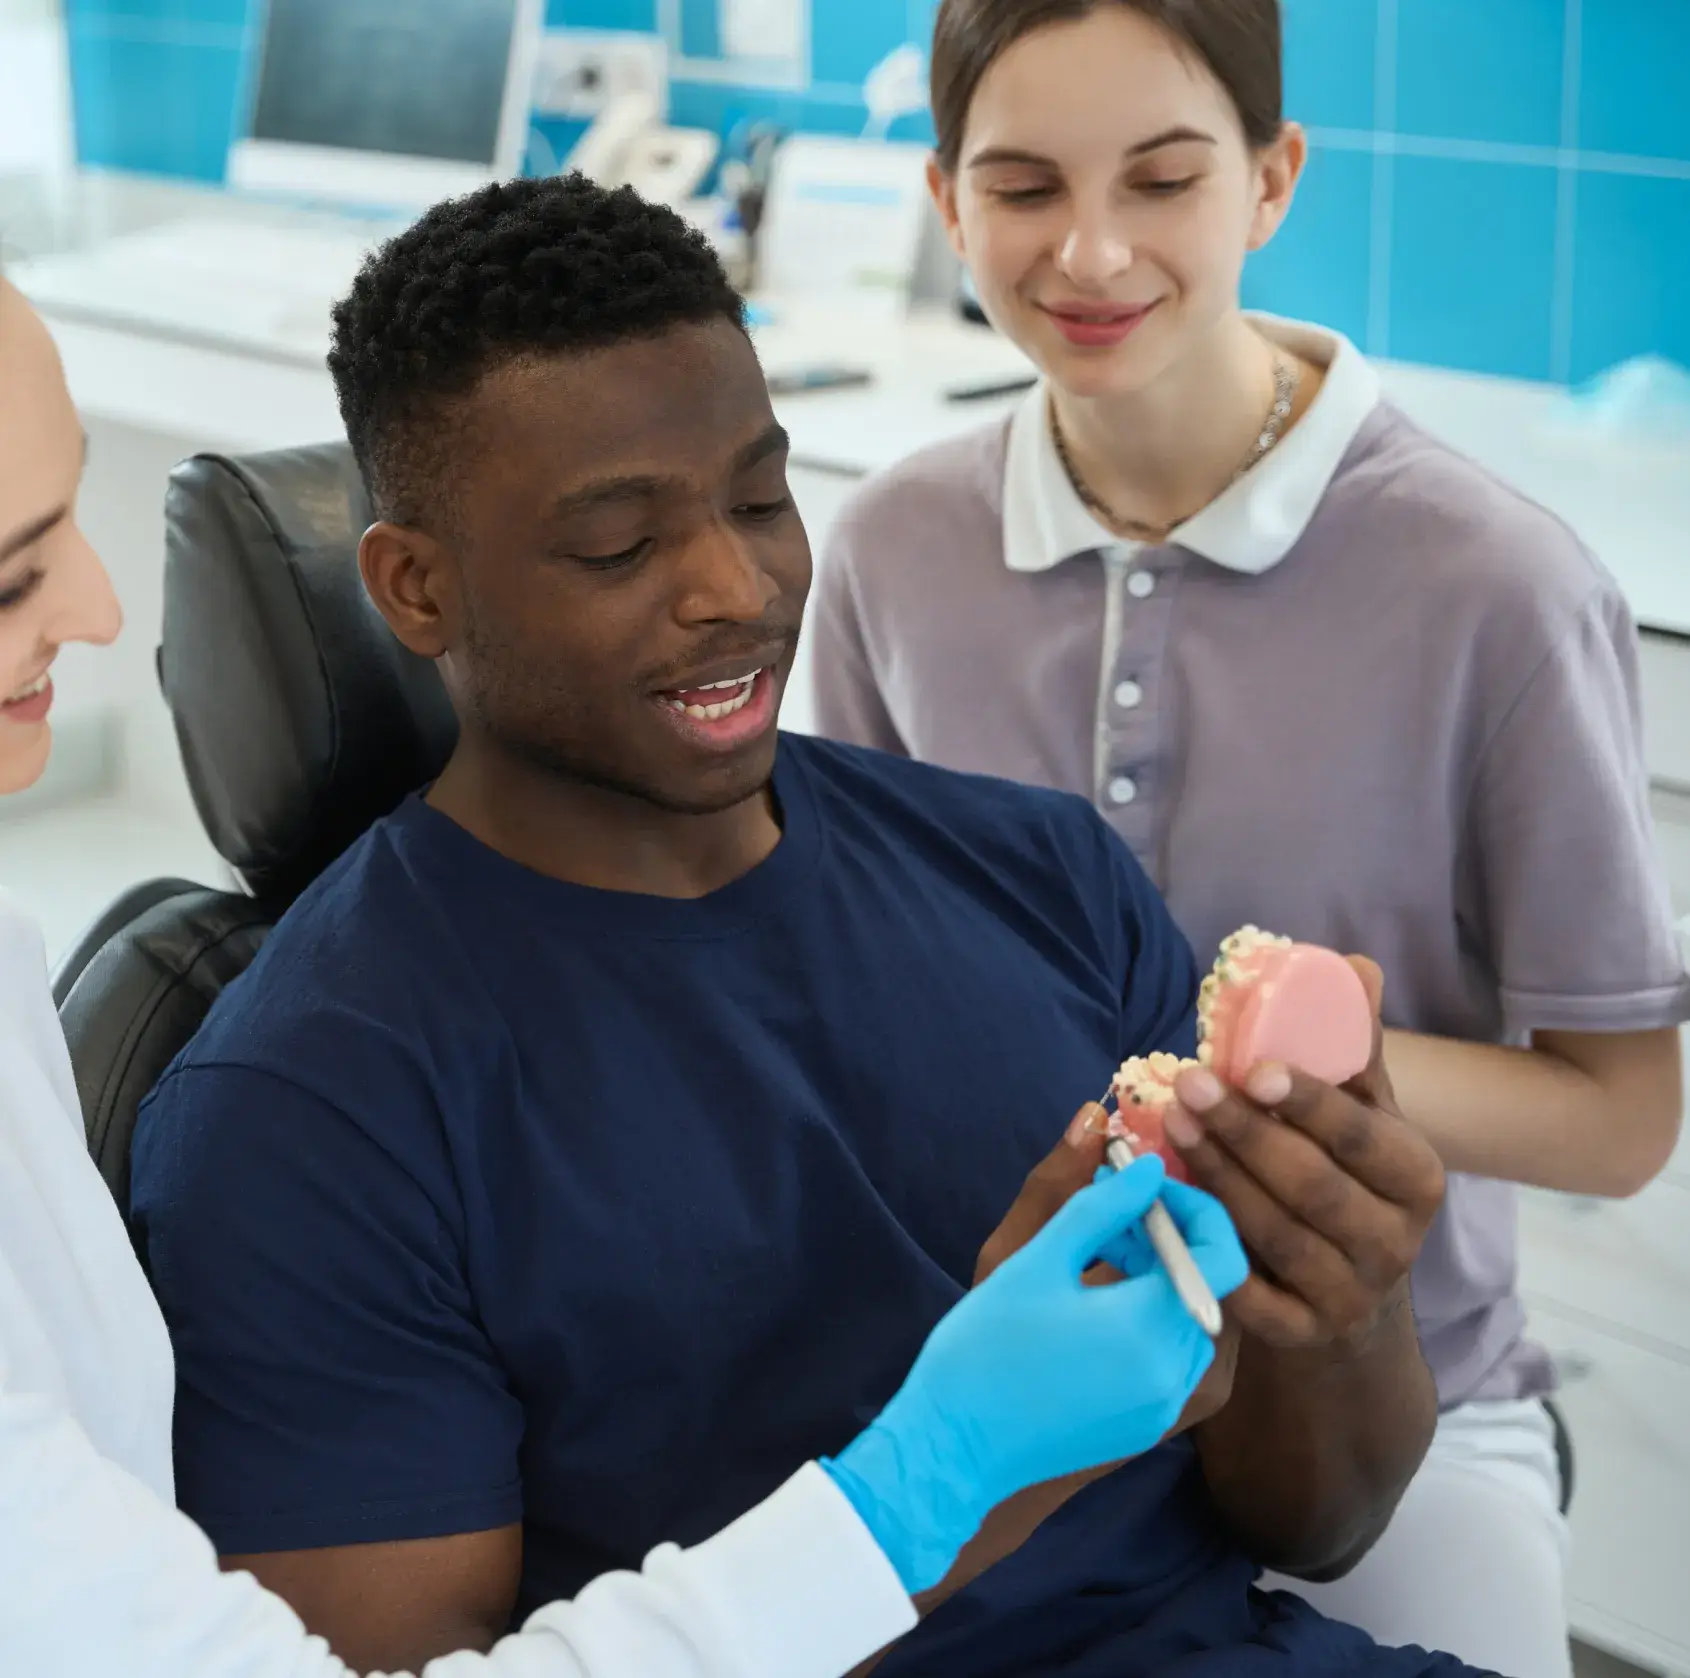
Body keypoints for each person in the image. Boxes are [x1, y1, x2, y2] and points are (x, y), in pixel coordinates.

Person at [128, 173, 1483, 1678]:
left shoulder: (1033, 872)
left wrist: (1340, 1306)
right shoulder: (310, 1112)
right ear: (416, 585)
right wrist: (957, 1467)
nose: (736, 584)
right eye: (618, 545)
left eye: (761, 498)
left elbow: (1315, 1521)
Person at [806, 0, 1690, 1672]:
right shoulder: (890, 549)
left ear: (1271, 180)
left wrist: (1259, 1074)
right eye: (1019, 188)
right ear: (941, 202)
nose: (1088, 251)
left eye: (1160, 179)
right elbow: (850, 981)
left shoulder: (1495, 584)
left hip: (1390, 1392)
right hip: (1006, 1370)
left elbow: (1620, 1121)